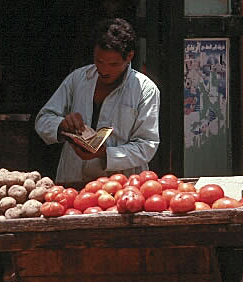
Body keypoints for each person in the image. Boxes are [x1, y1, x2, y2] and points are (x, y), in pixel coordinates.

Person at [35, 18, 160, 183]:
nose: (104, 69)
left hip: (119, 186)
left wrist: (105, 153)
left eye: (113, 64)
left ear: (129, 57)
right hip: (73, 180)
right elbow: (43, 120)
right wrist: (61, 124)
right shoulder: (78, 79)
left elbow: (146, 146)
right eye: (99, 61)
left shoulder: (145, 90)